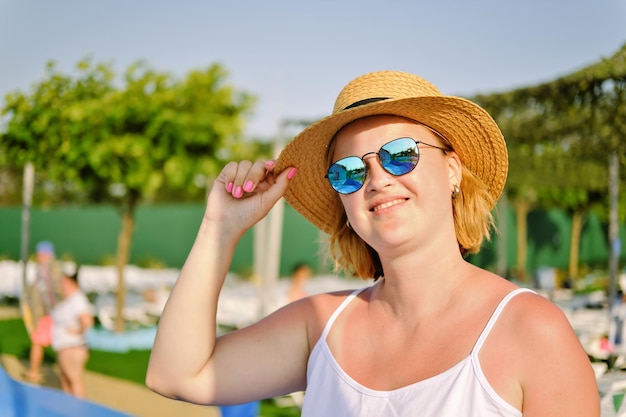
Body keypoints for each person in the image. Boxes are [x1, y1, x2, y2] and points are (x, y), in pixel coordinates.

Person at [146, 70, 600, 416]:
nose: (377, 179)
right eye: (350, 171)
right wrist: (218, 229)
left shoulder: (531, 330)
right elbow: (176, 374)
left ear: (452, 170)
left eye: (401, 154)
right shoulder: (320, 325)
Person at [50, 266, 94, 398]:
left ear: (72, 283)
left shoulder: (77, 300)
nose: (61, 286)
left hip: (72, 346)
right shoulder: (69, 299)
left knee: (74, 379)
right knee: (66, 380)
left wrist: (78, 331)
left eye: (64, 283)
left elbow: (87, 320)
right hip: (65, 345)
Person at [23, 240, 62, 384]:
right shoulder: (48, 269)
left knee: (40, 342)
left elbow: (50, 295)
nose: (38, 256)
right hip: (49, 314)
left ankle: (35, 372)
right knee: (44, 343)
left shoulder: (49, 270)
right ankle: (35, 371)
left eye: (40, 253)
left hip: (49, 315)